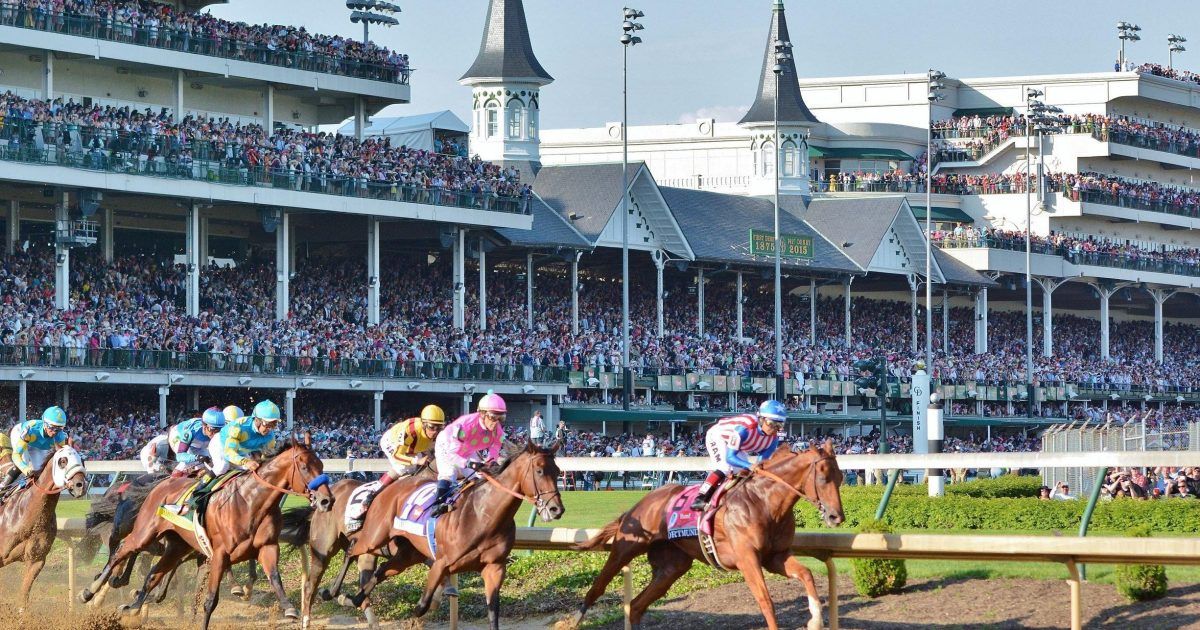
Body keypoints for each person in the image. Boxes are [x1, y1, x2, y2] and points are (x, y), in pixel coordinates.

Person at [348, 404, 446, 525]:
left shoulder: (437, 433)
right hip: (392, 444)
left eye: (439, 428)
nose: (436, 432)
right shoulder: (410, 431)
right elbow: (397, 455)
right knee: (403, 467)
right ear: (424, 424)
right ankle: (371, 495)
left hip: (414, 446)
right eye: (432, 427)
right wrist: (416, 461)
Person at [691, 399, 785, 511]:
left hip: (738, 446)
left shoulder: (773, 441)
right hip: (718, 436)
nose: (774, 429)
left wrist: (754, 468)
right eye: (771, 423)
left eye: (779, 425)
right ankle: (700, 497)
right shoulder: (744, 429)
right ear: (761, 419)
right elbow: (730, 457)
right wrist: (749, 465)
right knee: (725, 467)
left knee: (744, 473)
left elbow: (759, 463)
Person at [429, 391, 507, 517]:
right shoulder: (466, 425)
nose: (496, 422)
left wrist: (490, 462)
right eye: (493, 417)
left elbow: (495, 448)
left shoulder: (497, 430)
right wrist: (470, 463)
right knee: (449, 474)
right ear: (482, 414)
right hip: (447, 445)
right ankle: (437, 505)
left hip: (467, 448)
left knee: (482, 477)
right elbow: (453, 455)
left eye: (501, 418)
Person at [0, 406, 69, 492]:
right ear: (45, 423)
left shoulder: (61, 437)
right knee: (23, 463)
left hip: (37, 444)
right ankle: (2, 487)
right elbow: (16, 455)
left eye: (59, 428)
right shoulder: (31, 429)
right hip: (20, 434)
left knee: (40, 471)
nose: (55, 432)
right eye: (52, 427)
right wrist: (26, 470)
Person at [168, 407, 226, 475]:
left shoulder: (223, 430)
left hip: (197, 443)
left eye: (219, 431)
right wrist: (196, 457)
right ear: (204, 426)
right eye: (212, 430)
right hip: (177, 435)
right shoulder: (192, 431)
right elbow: (179, 456)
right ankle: (174, 476)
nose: (215, 435)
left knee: (210, 460)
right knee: (190, 462)